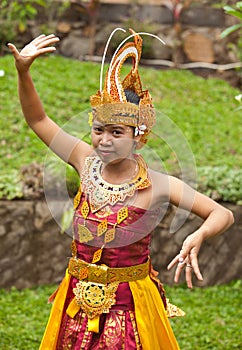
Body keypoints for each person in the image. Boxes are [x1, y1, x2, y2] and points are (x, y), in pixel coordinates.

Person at [8, 29, 234, 350]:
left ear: (138, 138)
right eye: (99, 130)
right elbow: (38, 119)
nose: (105, 140)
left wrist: (197, 235)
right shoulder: (83, 158)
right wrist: (23, 72)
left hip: (130, 308)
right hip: (76, 298)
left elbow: (221, 213)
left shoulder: (159, 184)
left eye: (116, 132)